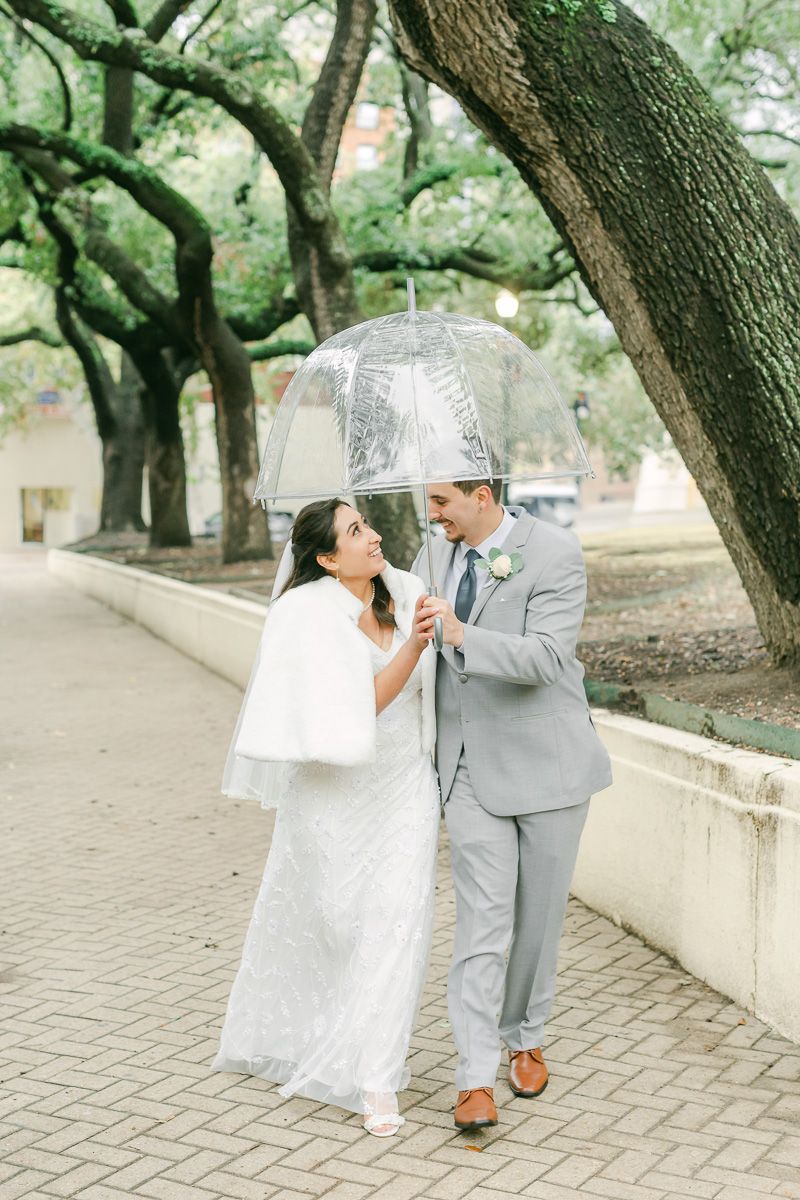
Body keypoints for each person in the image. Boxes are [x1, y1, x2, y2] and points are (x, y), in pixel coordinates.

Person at [212, 498, 440, 1137]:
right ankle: (317, 1034)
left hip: (404, 787)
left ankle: (376, 1077)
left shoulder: (409, 591)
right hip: (333, 796)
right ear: (326, 558)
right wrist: (417, 646)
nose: (372, 537)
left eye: (366, 524)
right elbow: (357, 705)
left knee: (396, 923)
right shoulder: (305, 615)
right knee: (340, 923)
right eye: (355, 532)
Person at [412, 479, 612, 1132]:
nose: (431, 513)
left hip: (549, 764)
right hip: (467, 767)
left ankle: (524, 1032)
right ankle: (473, 1076)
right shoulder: (429, 555)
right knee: (483, 922)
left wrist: (461, 633)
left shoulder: (553, 550)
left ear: (480, 494)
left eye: (441, 501)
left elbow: (549, 658)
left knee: (538, 919)